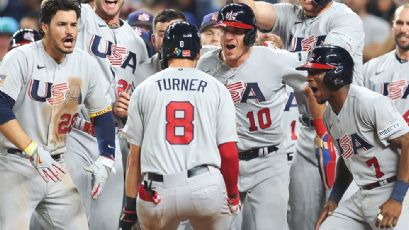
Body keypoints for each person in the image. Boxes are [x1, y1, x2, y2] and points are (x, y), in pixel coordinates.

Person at [233, 0, 365, 229]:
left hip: (345, 128)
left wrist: (276, 56)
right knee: (299, 220)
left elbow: (325, 63)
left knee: (342, 215)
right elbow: (247, 11)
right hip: (308, 130)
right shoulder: (290, 13)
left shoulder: (344, 19)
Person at [0, 0, 117, 229]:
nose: (69, 31)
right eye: (62, 24)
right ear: (44, 26)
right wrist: (31, 149)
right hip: (15, 163)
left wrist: (107, 156)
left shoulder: (85, 63)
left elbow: (102, 113)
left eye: (74, 25)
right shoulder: (21, 57)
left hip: (56, 165)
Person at [197, 3, 306, 230]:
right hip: (222, 163)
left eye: (237, 31)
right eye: (225, 29)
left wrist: (320, 128)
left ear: (250, 35)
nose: (228, 36)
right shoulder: (205, 64)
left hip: (267, 162)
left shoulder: (275, 60)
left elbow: (313, 81)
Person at [123, 21, 240, 230]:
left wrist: (129, 211)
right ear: (197, 54)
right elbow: (229, 154)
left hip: (157, 190)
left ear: (164, 52)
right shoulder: (216, 88)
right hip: (204, 185)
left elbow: (134, 159)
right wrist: (232, 195)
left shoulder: (143, 89)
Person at [298, 44, 409, 230]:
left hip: (399, 191)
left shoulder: (369, 103)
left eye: (316, 72)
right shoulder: (328, 115)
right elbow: (347, 157)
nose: (309, 78)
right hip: (363, 194)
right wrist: (334, 198)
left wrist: (397, 199)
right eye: (309, 72)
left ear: (337, 75)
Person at [64, 0, 149, 229]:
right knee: (72, 221)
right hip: (75, 134)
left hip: (111, 138)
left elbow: (142, 98)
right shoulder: (80, 18)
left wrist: (129, 109)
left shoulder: (137, 43)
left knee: (108, 224)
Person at [363, 2, 409, 178]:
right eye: (399, 23)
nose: (403, 29)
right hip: (378, 160)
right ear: (392, 26)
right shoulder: (372, 68)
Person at [136, 9, 186, 83]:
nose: (169, 39)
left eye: (176, 33)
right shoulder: (141, 74)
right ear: (153, 40)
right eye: (162, 35)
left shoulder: (200, 69)